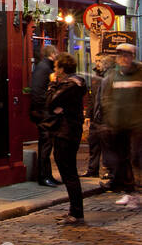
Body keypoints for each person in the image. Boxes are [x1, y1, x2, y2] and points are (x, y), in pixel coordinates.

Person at [44, 53, 87, 225]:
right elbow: (53, 106)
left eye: (56, 68)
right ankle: (74, 210)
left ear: (62, 69)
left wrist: (52, 84)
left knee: (68, 173)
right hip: (67, 130)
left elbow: (49, 103)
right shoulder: (75, 83)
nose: (54, 71)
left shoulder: (69, 84)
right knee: (69, 172)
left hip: (66, 132)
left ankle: (76, 213)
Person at [101, 42, 142, 207]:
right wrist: (108, 121)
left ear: (132, 56)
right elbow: (107, 99)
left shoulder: (140, 74)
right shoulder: (113, 75)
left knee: (137, 159)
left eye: (126, 55)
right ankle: (130, 192)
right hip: (118, 126)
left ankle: (138, 192)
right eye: (120, 56)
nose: (123, 59)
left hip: (138, 126)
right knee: (122, 161)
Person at [30, 44, 59, 186]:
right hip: (44, 113)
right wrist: (45, 108)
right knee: (45, 145)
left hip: (44, 111)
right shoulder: (45, 68)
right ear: (52, 53)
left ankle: (47, 175)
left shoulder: (44, 67)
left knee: (47, 145)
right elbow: (37, 92)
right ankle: (43, 176)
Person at [84, 55, 114, 181]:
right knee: (93, 143)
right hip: (96, 116)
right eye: (96, 61)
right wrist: (88, 115)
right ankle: (92, 169)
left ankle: (109, 171)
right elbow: (92, 98)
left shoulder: (110, 77)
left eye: (99, 61)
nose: (97, 63)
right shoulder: (95, 77)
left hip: (106, 117)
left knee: (107, 146)